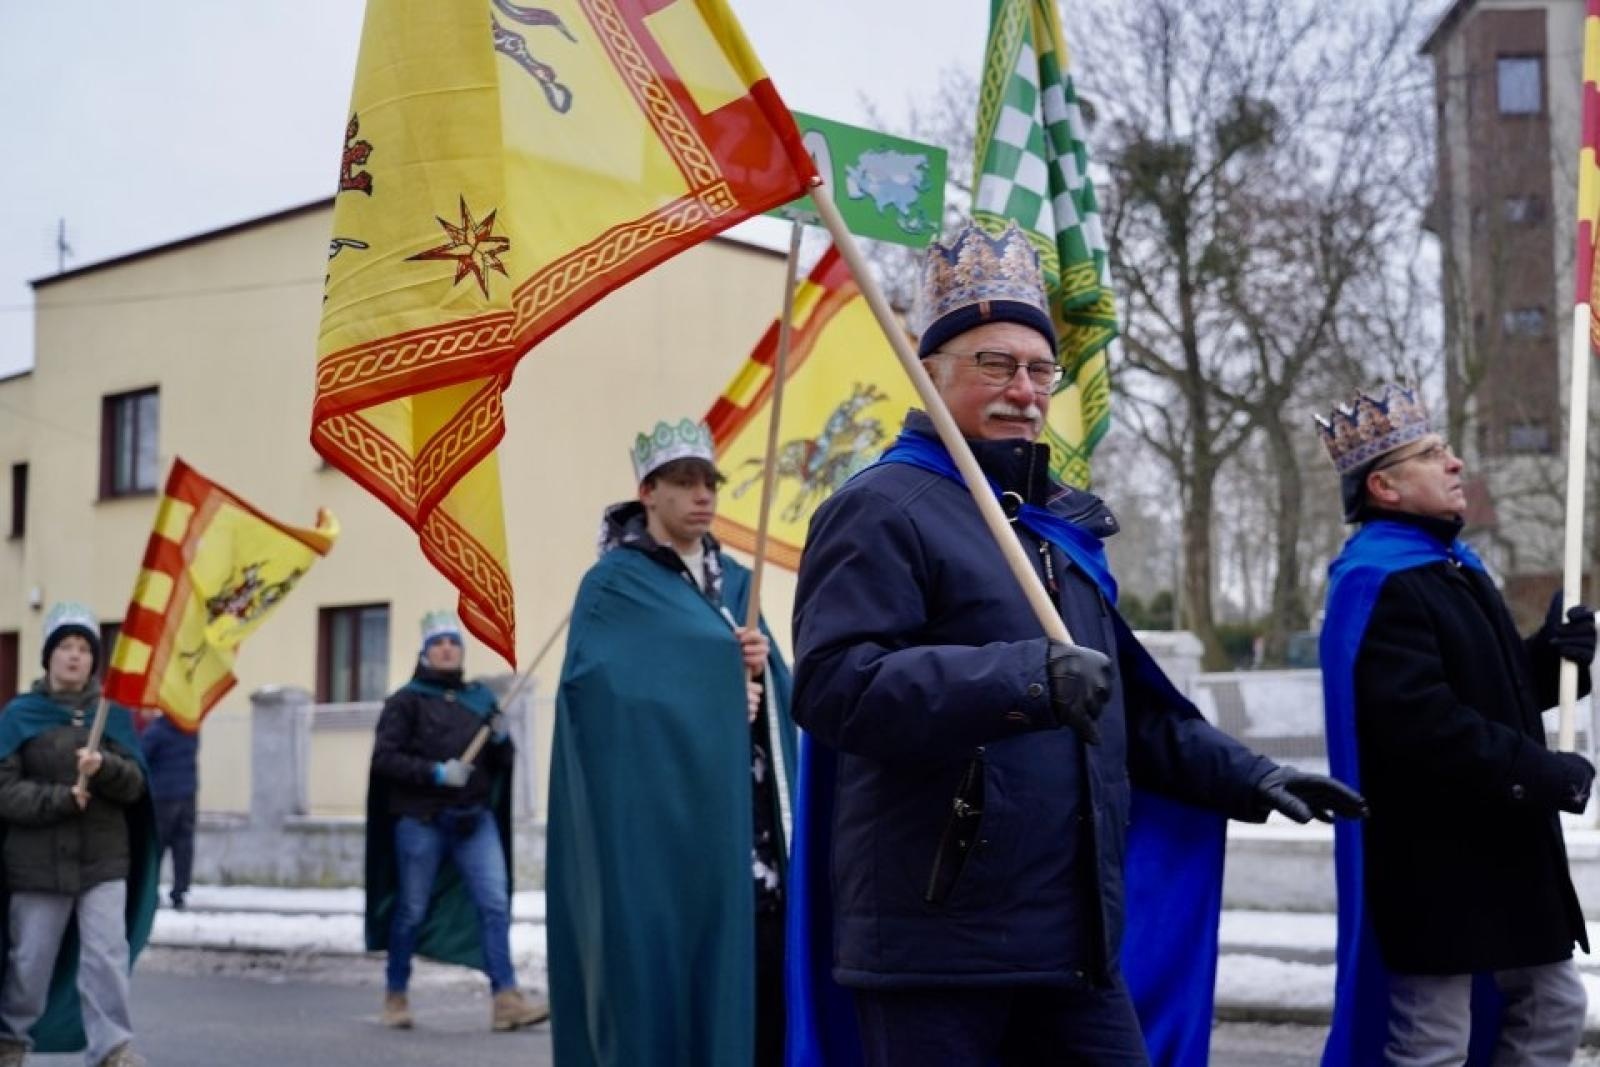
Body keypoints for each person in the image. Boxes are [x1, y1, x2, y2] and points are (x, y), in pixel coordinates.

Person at [787, 220, 1368, 1067]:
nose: (1026, 390)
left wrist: (1251, 774)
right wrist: (1027, 678)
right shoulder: (881, 507)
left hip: (1071, 940)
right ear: (928, 369)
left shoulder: (1057, 529)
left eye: (1040, 369)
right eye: (996, 364)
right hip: (936, 945)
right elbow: (838, 685)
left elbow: (1128, 709)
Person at [1315, 385, 1596, 1066]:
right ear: (1383, 486)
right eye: (1431, 454)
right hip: (1435, 859)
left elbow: (1493, 693)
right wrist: (1540, 772)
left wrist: (1554, 658)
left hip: (1506, 847)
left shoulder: (1453, 568)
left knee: (1553, 1005)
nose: (1456, 462)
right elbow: (1425, 724)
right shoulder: (1378, 579)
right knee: (1434, 1039)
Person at [546, 418, 798, 1067]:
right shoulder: (613, 586)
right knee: (666, 988)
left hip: (747, 838)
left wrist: (762, 672)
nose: (702, 495)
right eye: (684, 482)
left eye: (709, 481)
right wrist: (713, 691)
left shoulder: (736, 581)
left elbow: (774, 692)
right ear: (648, 491)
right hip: (665, 835)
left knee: (761, 996)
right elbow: (599, 699)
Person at [364, 611, 546, 1033]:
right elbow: (385, 759)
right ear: (425, 652)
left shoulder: (479, 700)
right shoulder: (405, 701)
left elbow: (502, 763)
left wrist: (500, 738)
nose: (447, 649)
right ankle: (396, 995)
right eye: (438, 643)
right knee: (411, 910)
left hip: (474, 820)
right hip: (421, 821)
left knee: (494, 905)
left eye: (453, 642)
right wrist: (435, 773)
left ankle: (506, 999)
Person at [0, 602, 159, 1067]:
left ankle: (113, 1048)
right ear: (48, 656)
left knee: (106, 957)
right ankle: (10, 1041)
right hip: (35, 865)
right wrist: (60, 799)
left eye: (84, 648)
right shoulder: (19, 716)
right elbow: (5, 792)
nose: (74, 656)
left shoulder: (111, 716)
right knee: (30, 961)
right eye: (65, 647)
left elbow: (136, 787)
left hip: (102, 861)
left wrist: (104, 767)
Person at [138, 713, 198, 911]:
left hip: (162, 797)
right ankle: (180, 892)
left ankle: (151, 892)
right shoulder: (191, 730)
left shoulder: (157, 731)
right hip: (187, 795)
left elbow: (142, 757)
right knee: (183, 848)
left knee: (156, 848)